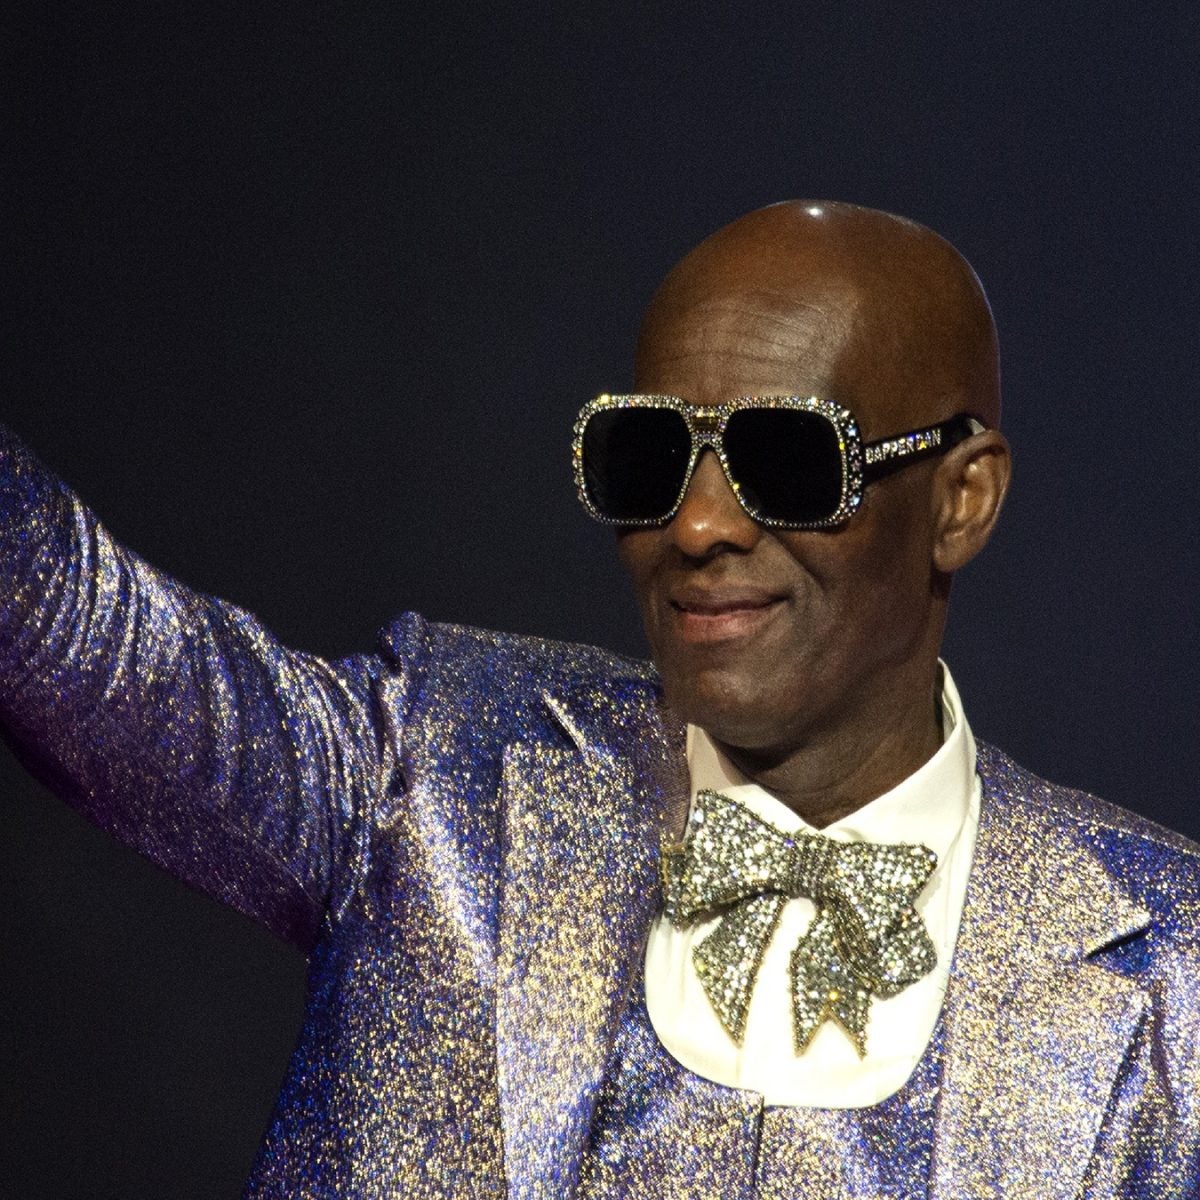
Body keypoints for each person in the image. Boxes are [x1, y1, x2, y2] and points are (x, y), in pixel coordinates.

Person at [2, 201, 1196, 1198]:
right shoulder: (431, 772)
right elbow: (68, 632)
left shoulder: (1170, 969)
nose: (699, 524)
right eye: (649, 458)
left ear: (962, 499)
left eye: (789, 459)